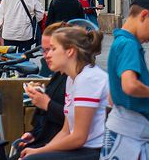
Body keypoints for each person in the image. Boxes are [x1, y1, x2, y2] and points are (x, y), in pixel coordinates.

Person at [20, 24, 106, 160]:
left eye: (53, 49)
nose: (48, 55)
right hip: (82, 149)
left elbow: (78, 137)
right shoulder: (73, 79)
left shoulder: (88, 79)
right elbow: (66, 130)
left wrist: (40, 151)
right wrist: (42, 150)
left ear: (70, 51)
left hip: (94, 151)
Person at [103, 0, 149, 160]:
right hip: (129, 135)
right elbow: (130, 85)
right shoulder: (129, 45)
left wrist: (145, 97)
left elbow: (113, 96)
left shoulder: (119, 42)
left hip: (118, 129)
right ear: (144, 15)